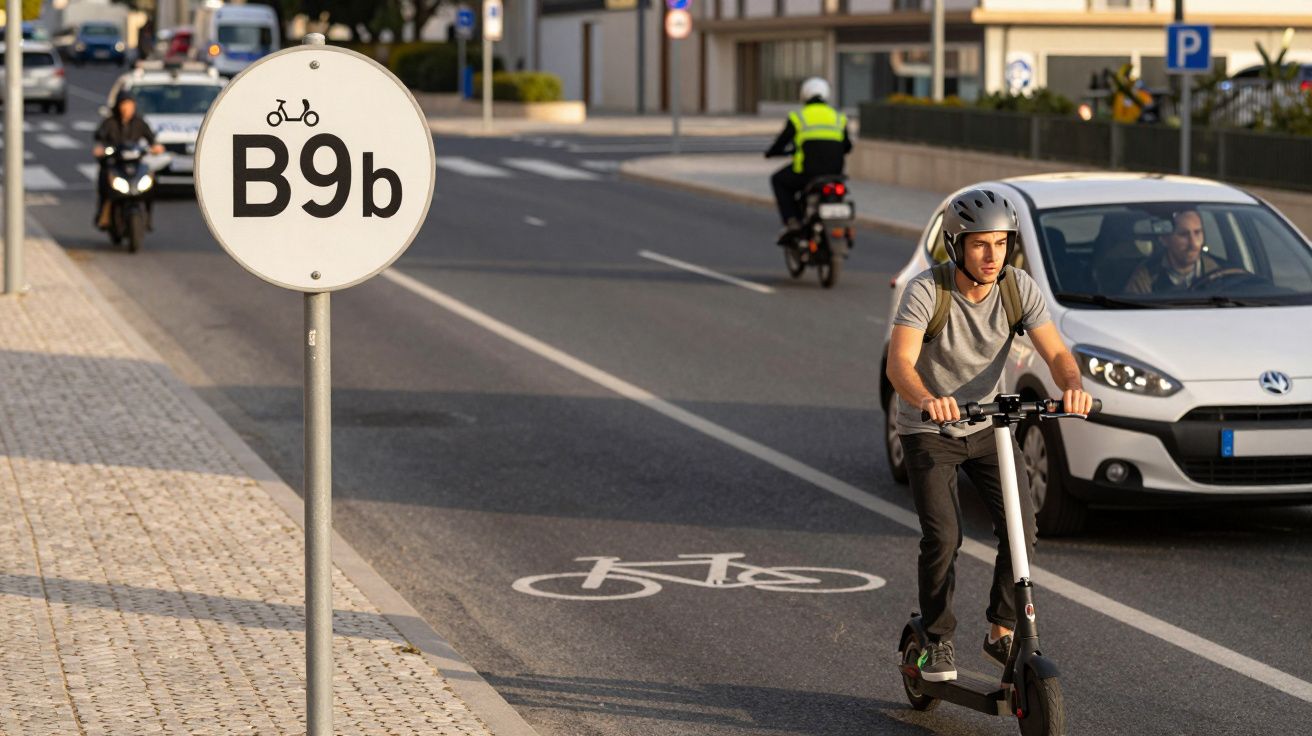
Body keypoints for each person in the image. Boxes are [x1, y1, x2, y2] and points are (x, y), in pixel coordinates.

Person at [886, 189, 1093, 683]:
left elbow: (1057, 353)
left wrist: (1073, 387)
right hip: (929, 429)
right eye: (980, 245)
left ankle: (1000, 630)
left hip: (986, 426)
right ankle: (936, 639)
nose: (992, 255)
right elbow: (899, 364)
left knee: (1023, 529)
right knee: (944, 536)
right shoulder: (926, 291)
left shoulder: (1017, 288)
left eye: (1001, 244)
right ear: (957, 245)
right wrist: (926, 399)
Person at [764, 77, 852, 245]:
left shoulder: (799, 117)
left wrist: (771, 153)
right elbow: (847, 146)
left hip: (806, 173)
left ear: (804, 95)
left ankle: (792, 221)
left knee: (778, 180)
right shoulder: (838, 117)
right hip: (835, 173)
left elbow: (781, 142)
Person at [92, 90, 163, 229]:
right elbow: (99, 137)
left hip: (134, 165)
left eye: (129, 104)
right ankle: (103, 214)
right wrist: (100, 149)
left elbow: (151, 139)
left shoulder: (139, 123)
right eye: (124, 104)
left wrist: (156, 147)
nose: (126, 108)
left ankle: (148, 217)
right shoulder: (110, 122)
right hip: (115, 163)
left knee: (151, 183)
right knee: (104, 181)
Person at [1123, 209, 1223, 294]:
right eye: (1183, 235)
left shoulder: (1219, 273)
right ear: (1165, 239)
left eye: (1197, 233)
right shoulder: (1145, 278)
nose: (1194, 243)